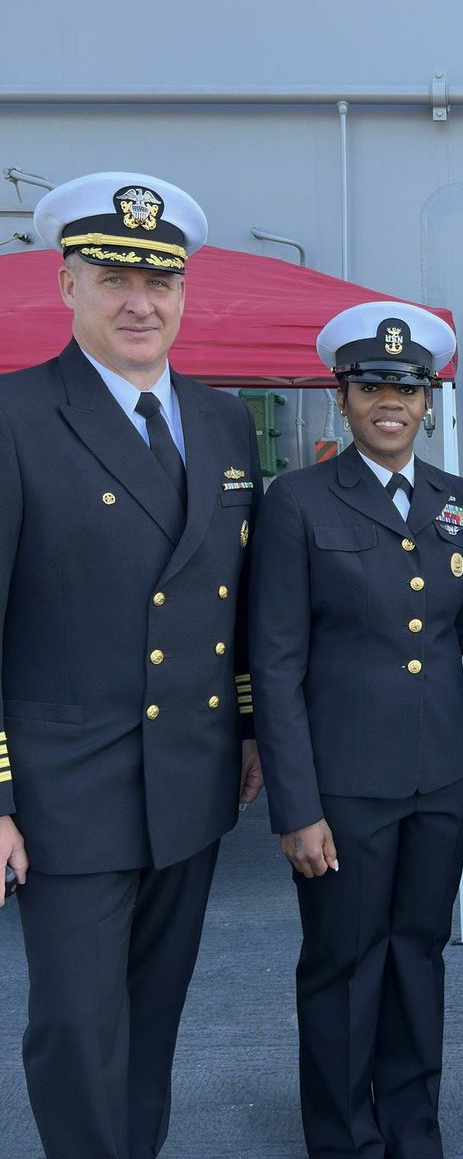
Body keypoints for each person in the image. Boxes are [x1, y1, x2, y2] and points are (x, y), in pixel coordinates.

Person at [0, 171, 263, 1159]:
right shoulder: (15, 418)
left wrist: (243, 728)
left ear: (186, 293)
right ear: (65, 285)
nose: (140, 302)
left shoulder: (225, 422)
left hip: (188, 779)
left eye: (161, 281)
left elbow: (234, 603)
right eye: (113, 277)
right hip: (65, 790)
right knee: (74, 1028)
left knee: (153, 1023)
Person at [249, 301, 463, 1159]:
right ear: (342, 396)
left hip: (440, 777)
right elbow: (274, 664)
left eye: (409, 386)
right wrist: (295, 807)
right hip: (342, 783)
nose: (392, 400)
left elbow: (460, 635)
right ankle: (344, 1138)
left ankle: (412, 1127)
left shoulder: (458, 501)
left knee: (419, 956)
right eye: (372, 384)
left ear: (430, 400)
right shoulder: (298, 501)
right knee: (344, 963)